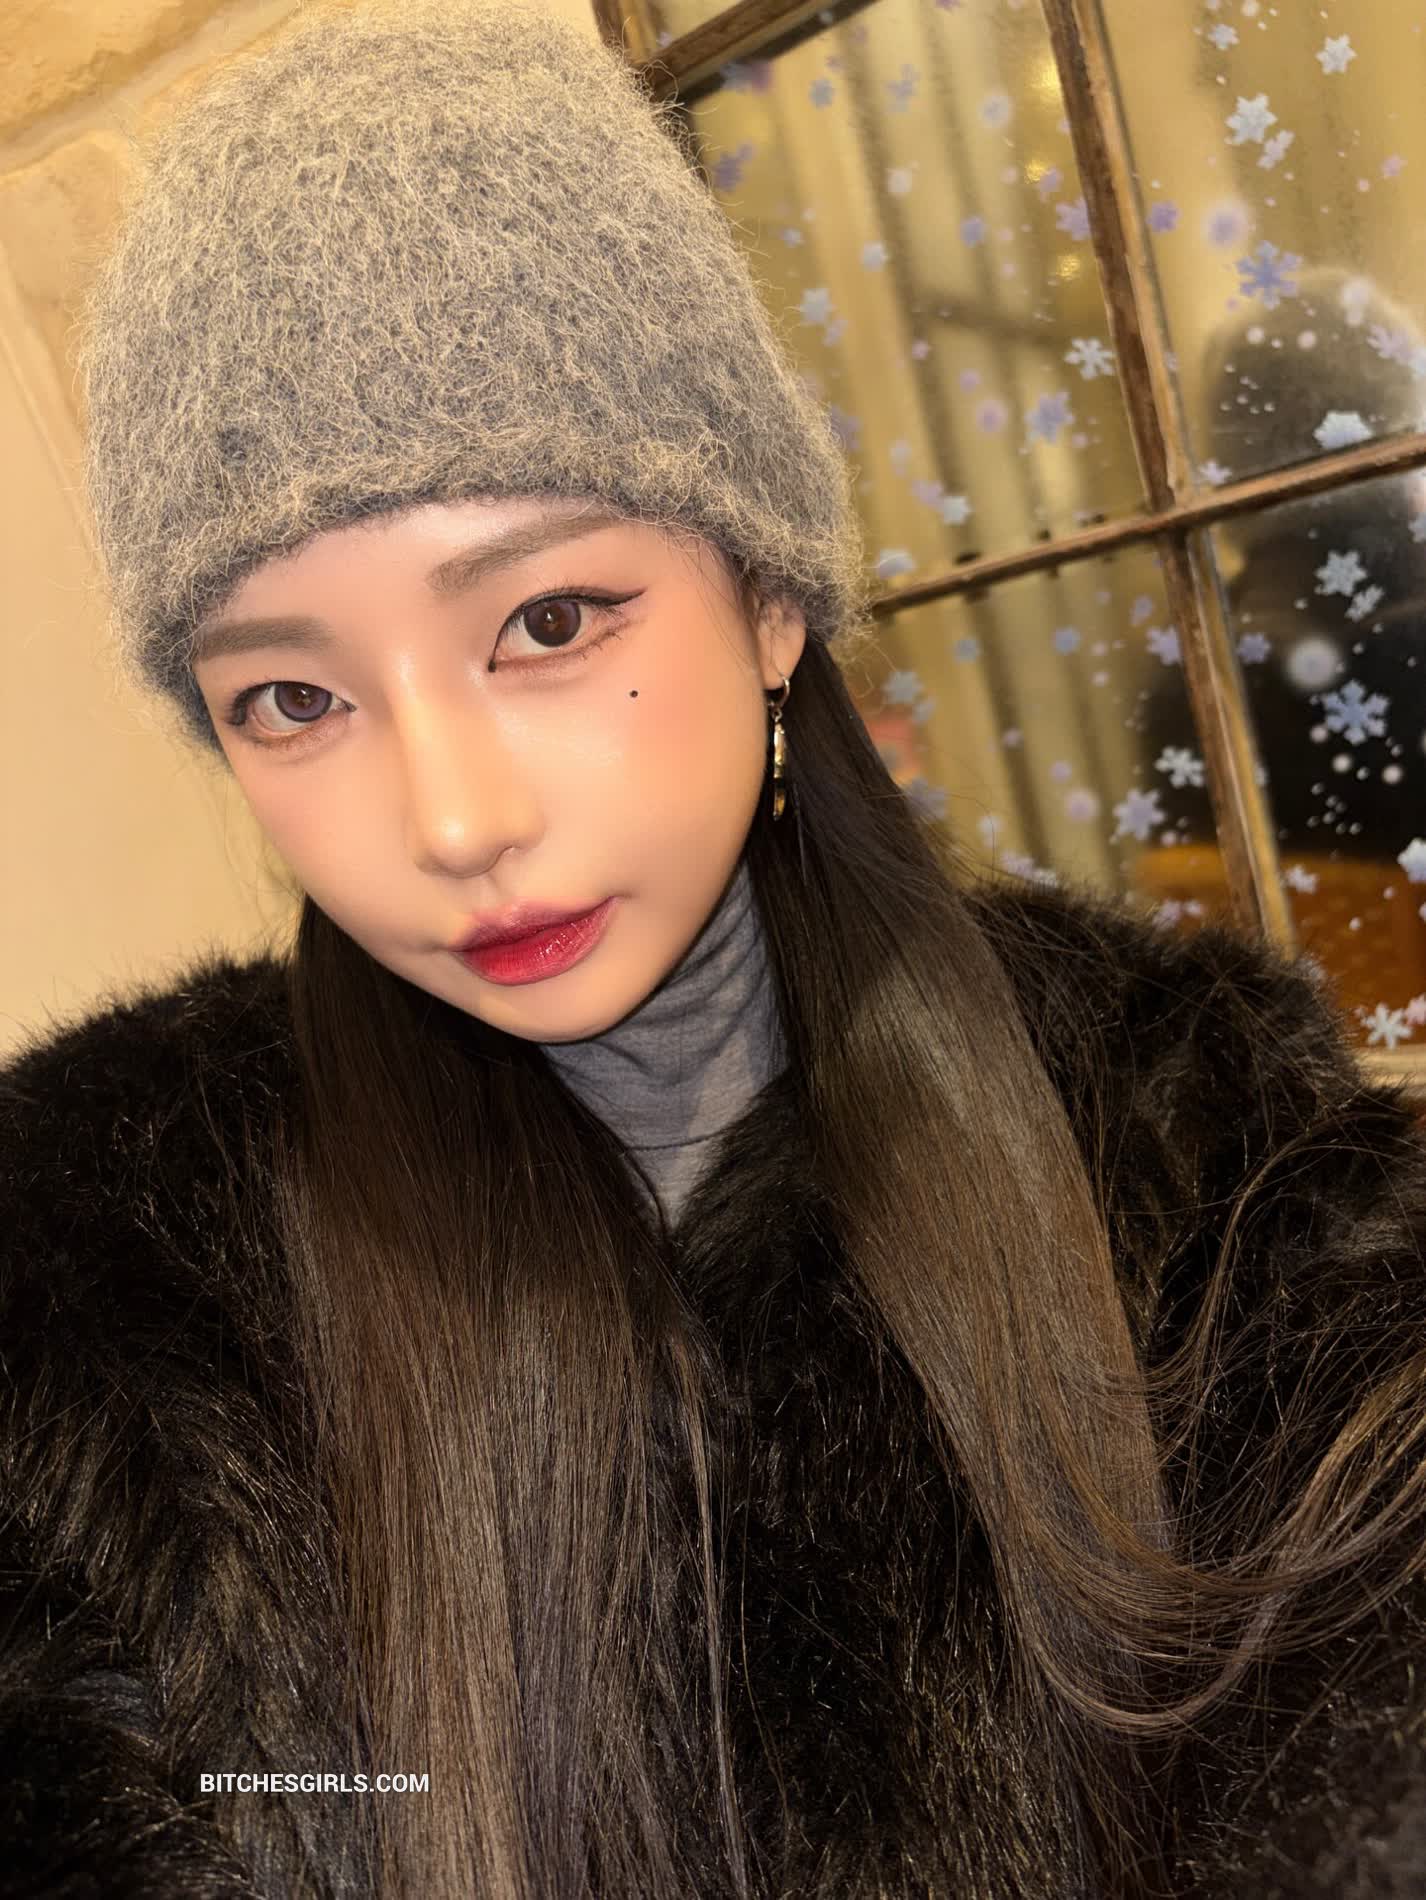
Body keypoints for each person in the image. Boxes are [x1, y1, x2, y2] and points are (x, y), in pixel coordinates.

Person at [4, 3, 1426, 1896]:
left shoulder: (1207, 1165)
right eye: (291, 698)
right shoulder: (85, 1283)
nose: (451, 820)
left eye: (547, 622)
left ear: (765, 597)